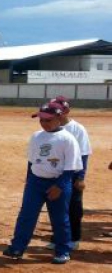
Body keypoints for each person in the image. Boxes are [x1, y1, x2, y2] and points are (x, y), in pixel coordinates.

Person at [3, 102, 81, 265]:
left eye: (48, 120)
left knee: (59, 218)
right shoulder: (37, 136)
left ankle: (62, 250)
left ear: (59, 118)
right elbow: (31, 163)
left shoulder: (67, 139)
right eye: (41, 120)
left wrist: (59, 186)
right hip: (36, 182)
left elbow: (70, 168)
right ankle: (17, 247)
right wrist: (29, 181)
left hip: (58, 182)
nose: (44, 123)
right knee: (26, 215)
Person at [45, 96, 91, 251]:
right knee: (56, 207)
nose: (57, 114)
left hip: (72, 174)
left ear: (66, 111)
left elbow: (84, 154)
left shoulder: (77, 129)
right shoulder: (49, 127)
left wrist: (80, 177)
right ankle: (57, 237)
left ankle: (74, 238)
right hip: (54, 173)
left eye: (60, 111)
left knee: (74, 207)